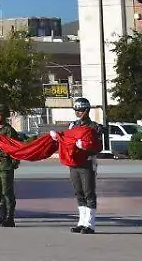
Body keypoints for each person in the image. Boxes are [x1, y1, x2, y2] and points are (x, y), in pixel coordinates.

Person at [60, 97, 102, 233]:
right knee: (78, 192)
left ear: (87, 110)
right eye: (76, 110)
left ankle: (90, 224)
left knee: (89, 192)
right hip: (74, 163)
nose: (79, 113)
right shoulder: (73, 126)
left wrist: (85, 147)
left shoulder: (94, 127)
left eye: (81, 110)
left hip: (87, 162)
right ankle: (82, 222)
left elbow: (98, 147)